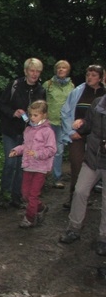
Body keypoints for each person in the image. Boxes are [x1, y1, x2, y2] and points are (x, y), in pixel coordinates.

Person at [59, 92, 106, 256]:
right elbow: (88, 126)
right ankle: (74, 229)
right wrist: (81, 123)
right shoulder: (98, 103)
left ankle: (103, 238)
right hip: (93, 157)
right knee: (80, 191)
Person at [0, 58, 46, 208]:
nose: (34, 74)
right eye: (32, 70)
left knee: (22, 166)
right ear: (25, 71)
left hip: (28, 135)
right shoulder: (14, 85)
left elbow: (43, 112)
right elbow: (1, 104)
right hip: (10, 131)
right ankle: (3, 195)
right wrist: (13, 112)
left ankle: (16, 197)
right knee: (10, 162)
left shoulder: (41, 90)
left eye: (37, 71)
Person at [60, 64, 105, 208]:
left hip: (97, 136)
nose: (90, 78)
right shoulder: (78, 91)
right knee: (76, 163)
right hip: (78, 134)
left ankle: (86, 196)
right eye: (88, 75)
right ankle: (73, 197)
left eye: (93, 75)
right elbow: (65, 112)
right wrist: (71, 131)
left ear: (100, 78)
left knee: (94, 166)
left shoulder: (103, 94)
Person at [8, 100, 56, 228]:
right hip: (28, 166)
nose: (32, 118)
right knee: (25, 194)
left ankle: (29, 218)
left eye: (36, 115)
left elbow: (52, 149)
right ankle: (41, 208)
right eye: (31, 115)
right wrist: (16, 150)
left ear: (44, 115)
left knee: (33, 194)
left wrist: (37, 154)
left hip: (40, 167)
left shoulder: (48, 131)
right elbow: (26, 146)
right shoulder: (28, 129)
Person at [42, 60, 74, 188]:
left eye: (64, 68)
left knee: (59, 150)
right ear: (55, 70)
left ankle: (57, 177)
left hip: (62, 123)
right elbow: (40, 102)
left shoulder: (72, 87)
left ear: (67, 71)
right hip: (48, 122)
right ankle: (42, 175)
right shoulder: (48, 84)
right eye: (59, 68)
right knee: (44, 148)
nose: (61, 70)